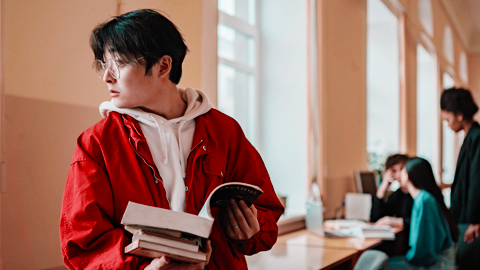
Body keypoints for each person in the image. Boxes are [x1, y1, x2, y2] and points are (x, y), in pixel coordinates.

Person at [59, 9, 284, 270]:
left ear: (163, 66)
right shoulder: (96, 143)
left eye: (119, 64)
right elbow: (83, 241)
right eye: (104, 66)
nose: (108, 77)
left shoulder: (225, 131)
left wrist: (250, 230)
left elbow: (267, 211)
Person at [387, 157, 459, 269]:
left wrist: (406, 258)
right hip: (429, 262)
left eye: (403, 170)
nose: (399, 174)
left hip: (434, 265)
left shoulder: (424, 201)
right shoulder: (423, 198)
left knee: (378, 264)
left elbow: (423, 251)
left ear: (409, 174)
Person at [440, 87, 480, 269]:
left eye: (447, 119)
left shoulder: (477, 138)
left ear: (459, 115)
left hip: (471, 222)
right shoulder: (470, 137)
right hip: (465, 218)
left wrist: (474, 220)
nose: (447, 125)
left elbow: (476, 180)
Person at [371, 154, 413, 230]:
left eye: (402, 169)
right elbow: (376, 218)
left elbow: (422, 221)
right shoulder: (397, 195)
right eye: (394, 171)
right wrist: (382, 189)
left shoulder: (418, 194)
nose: (399, 174)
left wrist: (397, 221)